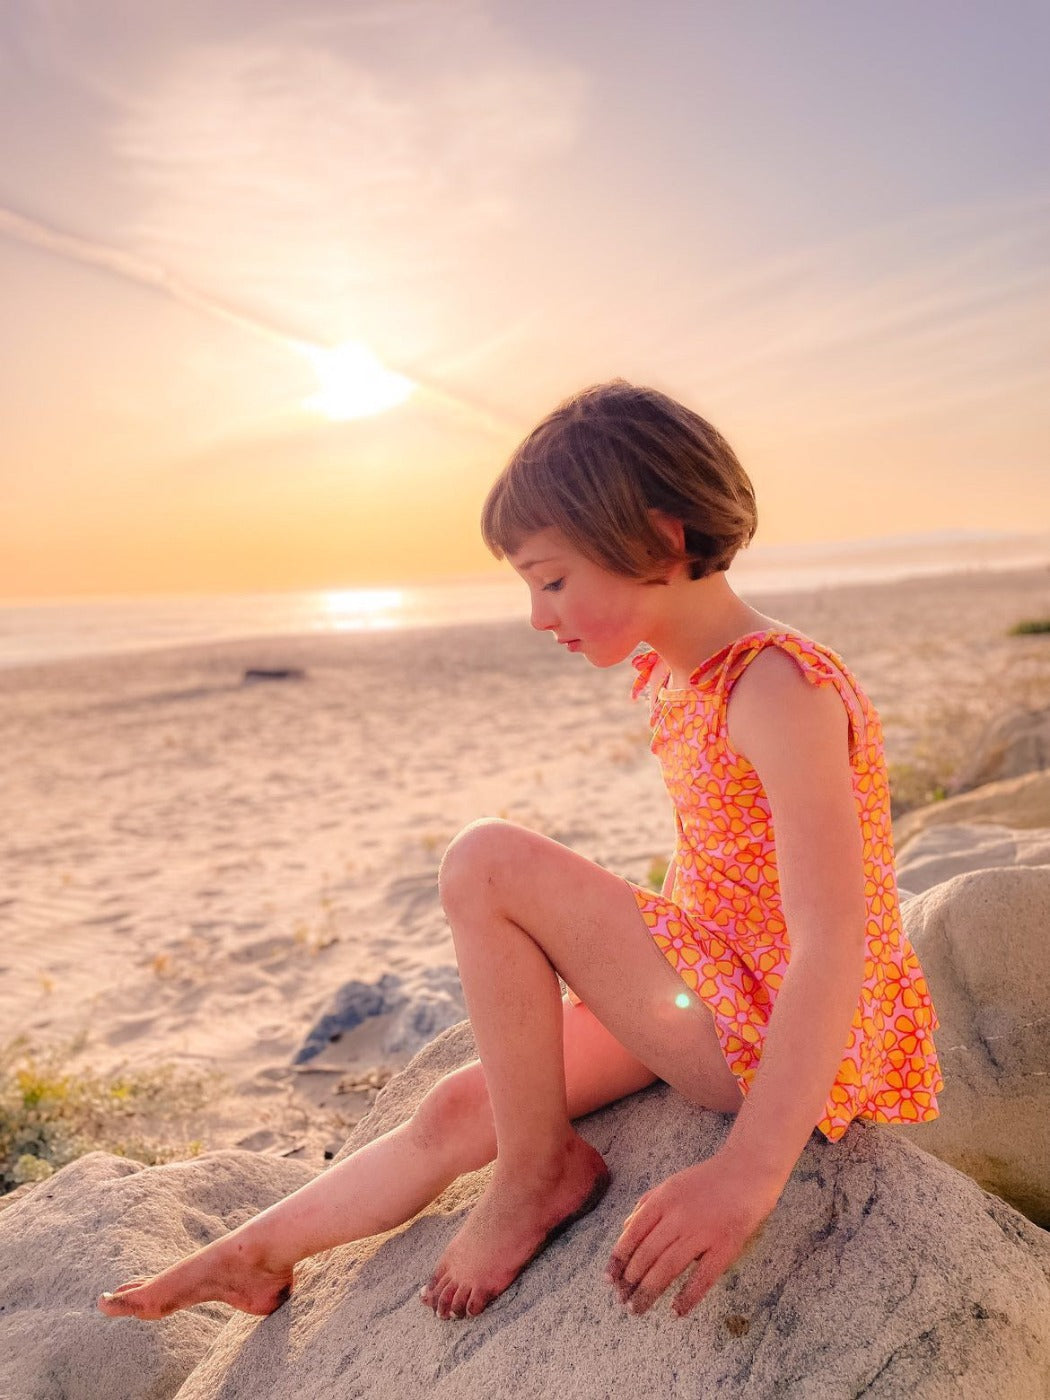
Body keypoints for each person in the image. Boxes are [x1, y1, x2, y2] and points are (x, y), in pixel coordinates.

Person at [98, 380, 941, 1325]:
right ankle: (252, 1254)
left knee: (486, 861)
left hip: (762, 1023)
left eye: (550, 579)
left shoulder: (776, 687)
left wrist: (746, 1172)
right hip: (717, 990)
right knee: (465, 1108)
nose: (540, 617)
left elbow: (838, 939)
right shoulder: (684, 674)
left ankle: (538, 1173)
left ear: (661, 541)